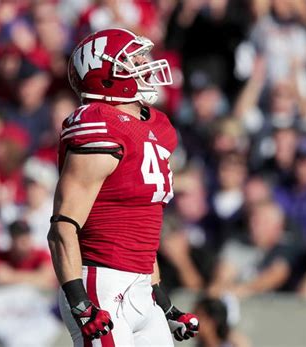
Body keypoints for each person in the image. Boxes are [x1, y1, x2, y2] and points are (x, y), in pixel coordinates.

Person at [47, 28, 199, 347]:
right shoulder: (100, 125)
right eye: (133, 60)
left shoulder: (155, 127)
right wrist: (79, 299)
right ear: (104, 76)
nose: (146, 64)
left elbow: (142, 226)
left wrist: (164, 302)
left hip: (141, 285)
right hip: (100, 282)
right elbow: (62, 226)